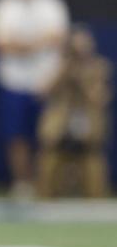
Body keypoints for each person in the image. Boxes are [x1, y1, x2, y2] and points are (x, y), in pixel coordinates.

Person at [0, 0, 69, 200]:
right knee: (16, 136)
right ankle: (22, 183)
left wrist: (22, 46)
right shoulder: (3, 6)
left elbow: (59, 40)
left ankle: (48, 184)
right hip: (13, 81)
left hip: (47, 81)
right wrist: (38, 43)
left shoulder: (53, 5)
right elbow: (1, 44)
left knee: (50, 136)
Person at [36, 25, 111, 200]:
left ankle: (96, 201)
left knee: (93, 161)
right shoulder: (58, 66)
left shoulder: (99, 67)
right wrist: (64, 70)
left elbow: (100, 99)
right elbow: (43, 92)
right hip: (61, 124)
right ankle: (45, 199)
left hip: (88, 124)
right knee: (49, 159)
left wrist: (82, 79)